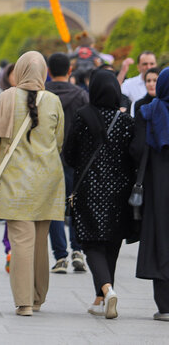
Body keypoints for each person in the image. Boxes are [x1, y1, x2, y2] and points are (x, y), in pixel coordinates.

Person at [0, 51, 65, 317]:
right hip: (48, 181)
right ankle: (37, 298)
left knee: (22, 241)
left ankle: (23, 303)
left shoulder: (7, 97)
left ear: (20, 71)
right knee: (40, 241)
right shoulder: (54, 101)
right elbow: (59, 141)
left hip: (15, 181)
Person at [63, 69, 136, 319]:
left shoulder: (83, 116)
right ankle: (101, 297)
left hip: (88, 189)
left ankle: (106, 289)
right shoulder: (125, 121)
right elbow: (133, 155)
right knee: (111, 244)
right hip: (119, 191)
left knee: (91, 243)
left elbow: (69, 154)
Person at [44, 52, 90, 275]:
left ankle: (60, 256)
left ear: (49, 71)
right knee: (75, 204)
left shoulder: (42, 95)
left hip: (48, 158)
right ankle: (78, 250)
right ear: (69, 70)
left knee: (53, 207)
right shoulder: (81, 95)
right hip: (75, 159)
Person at [132, 67, 169, 322]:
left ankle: (165, 305)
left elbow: (135, 149)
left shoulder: (149, 111)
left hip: (158, 187)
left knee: (160, 240)